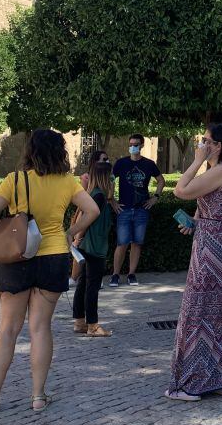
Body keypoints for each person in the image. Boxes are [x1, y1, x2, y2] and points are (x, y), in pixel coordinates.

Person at [0, 129, 100, 415]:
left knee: (7, 329)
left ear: (30, 151)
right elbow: (92, 210)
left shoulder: (15, 180)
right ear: (60, 151)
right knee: (40, 328)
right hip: (54, 256)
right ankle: (37, 396)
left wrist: (7, 235)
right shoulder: (68, 183)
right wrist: (70, 232)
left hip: (17, 258)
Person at [166, 124, 222, 401]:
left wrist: (197, 159)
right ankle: (219, 378)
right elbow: (213, 208)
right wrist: (196, 222)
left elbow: (180, 189)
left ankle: (192, 383)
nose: (201, 143)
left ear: (218, 145)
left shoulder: (220, 170)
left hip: (214, 248)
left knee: (198, 311)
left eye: (206, 140)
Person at [110, 134, 165, 287]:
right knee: (122, 243)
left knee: (137, 243)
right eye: (131, 144)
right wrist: (112, 200)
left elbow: (161, 180)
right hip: (124, 209)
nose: (133, 146)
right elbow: (111, 180)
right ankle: (115, 274)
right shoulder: (121, 163)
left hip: (141, 209)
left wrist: (155, 197)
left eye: (136, 144)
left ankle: (131, 274)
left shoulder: (149, 164)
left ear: (142, 146)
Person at [72, 159, 115, 337]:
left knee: (83, 283)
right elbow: (86, 219)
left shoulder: (94, 193)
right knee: (92, 286)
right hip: (94, 245)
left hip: (87, 244)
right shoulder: (99, 196)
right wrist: (78, 238)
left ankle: (79, 322)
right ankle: (92, 325)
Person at [70, 148, 109, 288]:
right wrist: (76, 233)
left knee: (86, 281)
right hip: (91, 226)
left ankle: (87, 279)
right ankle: (75, 277)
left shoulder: (101, 190)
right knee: (79, 244)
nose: (106, 162)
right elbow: (85, 206)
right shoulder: (92, 187)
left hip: (97, 226)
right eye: (103, 160)